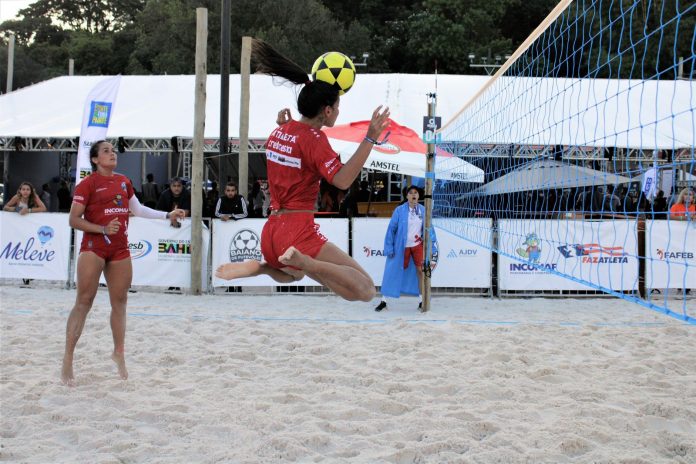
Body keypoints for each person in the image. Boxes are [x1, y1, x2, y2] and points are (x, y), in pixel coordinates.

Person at [215, 38, 390, 301]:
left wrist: (283, 126)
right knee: (365, 290)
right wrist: (370, 138)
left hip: (271, 232)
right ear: (327, 110)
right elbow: (342, 181)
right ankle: (306, 263)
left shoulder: (279, 131)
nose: (338, 113)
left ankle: (263, 266)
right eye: (338, 108)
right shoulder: (315, 140)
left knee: (303, 277)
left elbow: (292, 152)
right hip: (296, 229)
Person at [61, 140, 185, 386]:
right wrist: (102, 228)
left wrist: (167, 215)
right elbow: (73, 220)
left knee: (120, 302)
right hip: (94, 246)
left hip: (119, 247)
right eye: (106, 151)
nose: (112, 154)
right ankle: (68, 358)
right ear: (95, 159)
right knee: (84, 301)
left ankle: (119, 353)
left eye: (113, 150)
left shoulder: (123, 181)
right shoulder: (87, 184)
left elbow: (138, 210)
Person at [374, 186, 438, 312]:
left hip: (417, 245)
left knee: (421, 272)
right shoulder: (399, 210)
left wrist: (432, 247)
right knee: (392, 272)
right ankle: (384, 301)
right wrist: (389, 247)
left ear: (419, 196)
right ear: (407, 196)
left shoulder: (424, 210)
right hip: (400, 246)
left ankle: (422, 300)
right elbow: (391, 229)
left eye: (416, 193)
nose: (413, 195)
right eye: (410, 193)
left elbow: (430, 229)